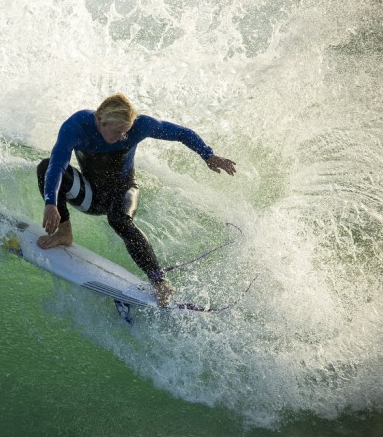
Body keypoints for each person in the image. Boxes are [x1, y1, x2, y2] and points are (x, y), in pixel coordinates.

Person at [37, 93, 236, 307]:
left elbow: (180, 133)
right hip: (91, 195)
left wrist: (207, 155)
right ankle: (64, 233)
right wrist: (50, 203)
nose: (122, 137)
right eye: (117, 132)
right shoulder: (77, 125)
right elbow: (57, 165)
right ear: (99, 120)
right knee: (45, 166)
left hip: (123, 190)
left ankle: (159, 281)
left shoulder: (140, 126)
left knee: (119, 219)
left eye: (126, 132)